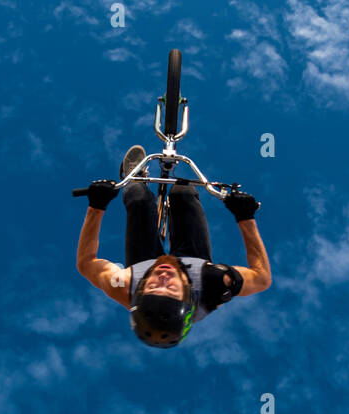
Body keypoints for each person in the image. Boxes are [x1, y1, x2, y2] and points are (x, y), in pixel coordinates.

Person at [76, 145, 272, 346]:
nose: (162, 277)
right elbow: (261, 277)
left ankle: (135, 178)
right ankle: (181, 193)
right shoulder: (214, 285)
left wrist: (97, 206)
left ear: (140, 290)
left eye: (152, 287)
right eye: (171, 288)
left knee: (138, 197)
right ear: (188, 293)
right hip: (193, 261)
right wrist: (245, 217)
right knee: (183, 191)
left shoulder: (122, 284)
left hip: (144, 262)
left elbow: (86, 262)